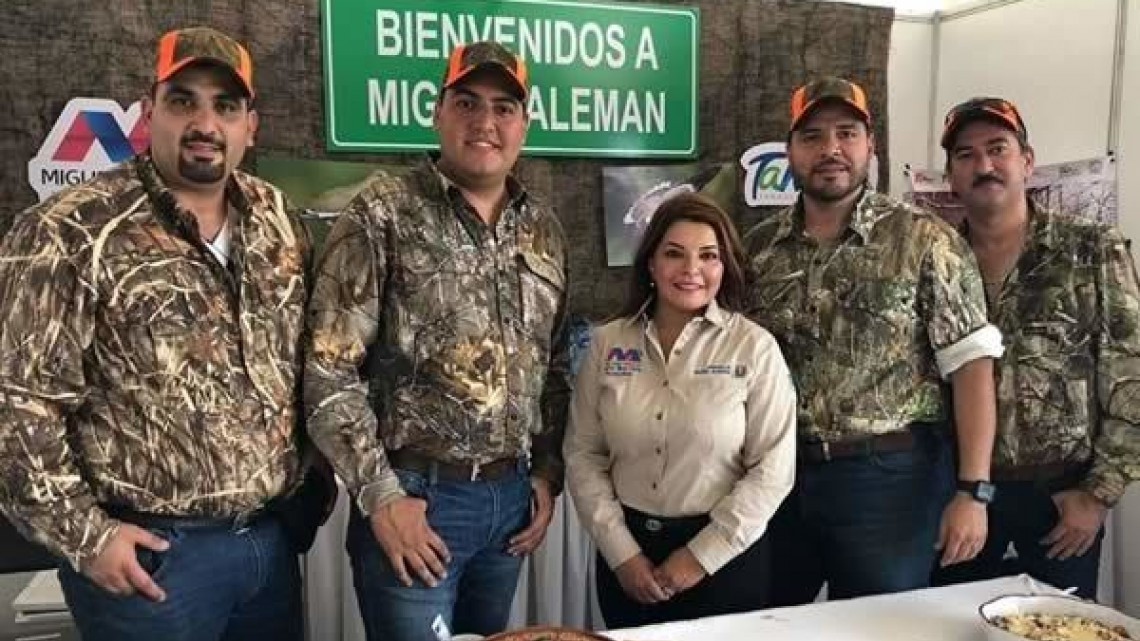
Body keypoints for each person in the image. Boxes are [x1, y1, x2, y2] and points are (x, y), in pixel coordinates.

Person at [0, 26, 327, 641]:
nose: (205, 123)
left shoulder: (279, 221)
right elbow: (15, 403)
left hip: (269, 544)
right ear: (149, 112)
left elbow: (307, 366)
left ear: (250, 125)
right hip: (153, 561)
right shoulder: (69, 230)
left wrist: (311, 488)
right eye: (184, 101)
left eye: (225, 106)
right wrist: (87, 537)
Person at [304, 40, 570, 641]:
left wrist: (546, 474)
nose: (486, 122)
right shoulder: (382, 212)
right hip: (416, 499)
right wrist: (381, 496)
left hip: (510, 504)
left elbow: (554, 366)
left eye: (505, 107)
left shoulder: (543, 230)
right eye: (467, 102)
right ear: (438, 112)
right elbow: (326, 371)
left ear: (524, 123)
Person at [745, 76, 1006, 603]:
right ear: (791, 150)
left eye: (847, 133)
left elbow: (973, 368)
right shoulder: (757, 251)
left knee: (881, 629)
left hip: (888, 485)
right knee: (768, 626)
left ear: (870, 145)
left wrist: (973, 492)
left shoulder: (924, 239)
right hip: (776, 480)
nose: (831, 150)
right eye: (813, 136)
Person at [930, 97, 1140, 599]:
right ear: (952, 176)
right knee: (953, 625)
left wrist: (1098, 494)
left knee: (1055, 628)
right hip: (959, 495)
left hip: (1060, 498)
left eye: (997, 148)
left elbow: (1130, 372)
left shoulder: (1091, 248)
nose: (983, 165)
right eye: (966, 155)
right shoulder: (935, 260)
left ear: (1027, 161)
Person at [566, 192, 796, 628]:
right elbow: (583, 454)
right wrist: (623, 555)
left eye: (708, 256)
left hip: (724, 559)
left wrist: (698, 557)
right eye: (674, 254)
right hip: (626, 557)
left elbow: (773, 469)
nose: (691, 270)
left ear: (723, 266)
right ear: (651, 265)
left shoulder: (754, 346)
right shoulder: (607, 343)